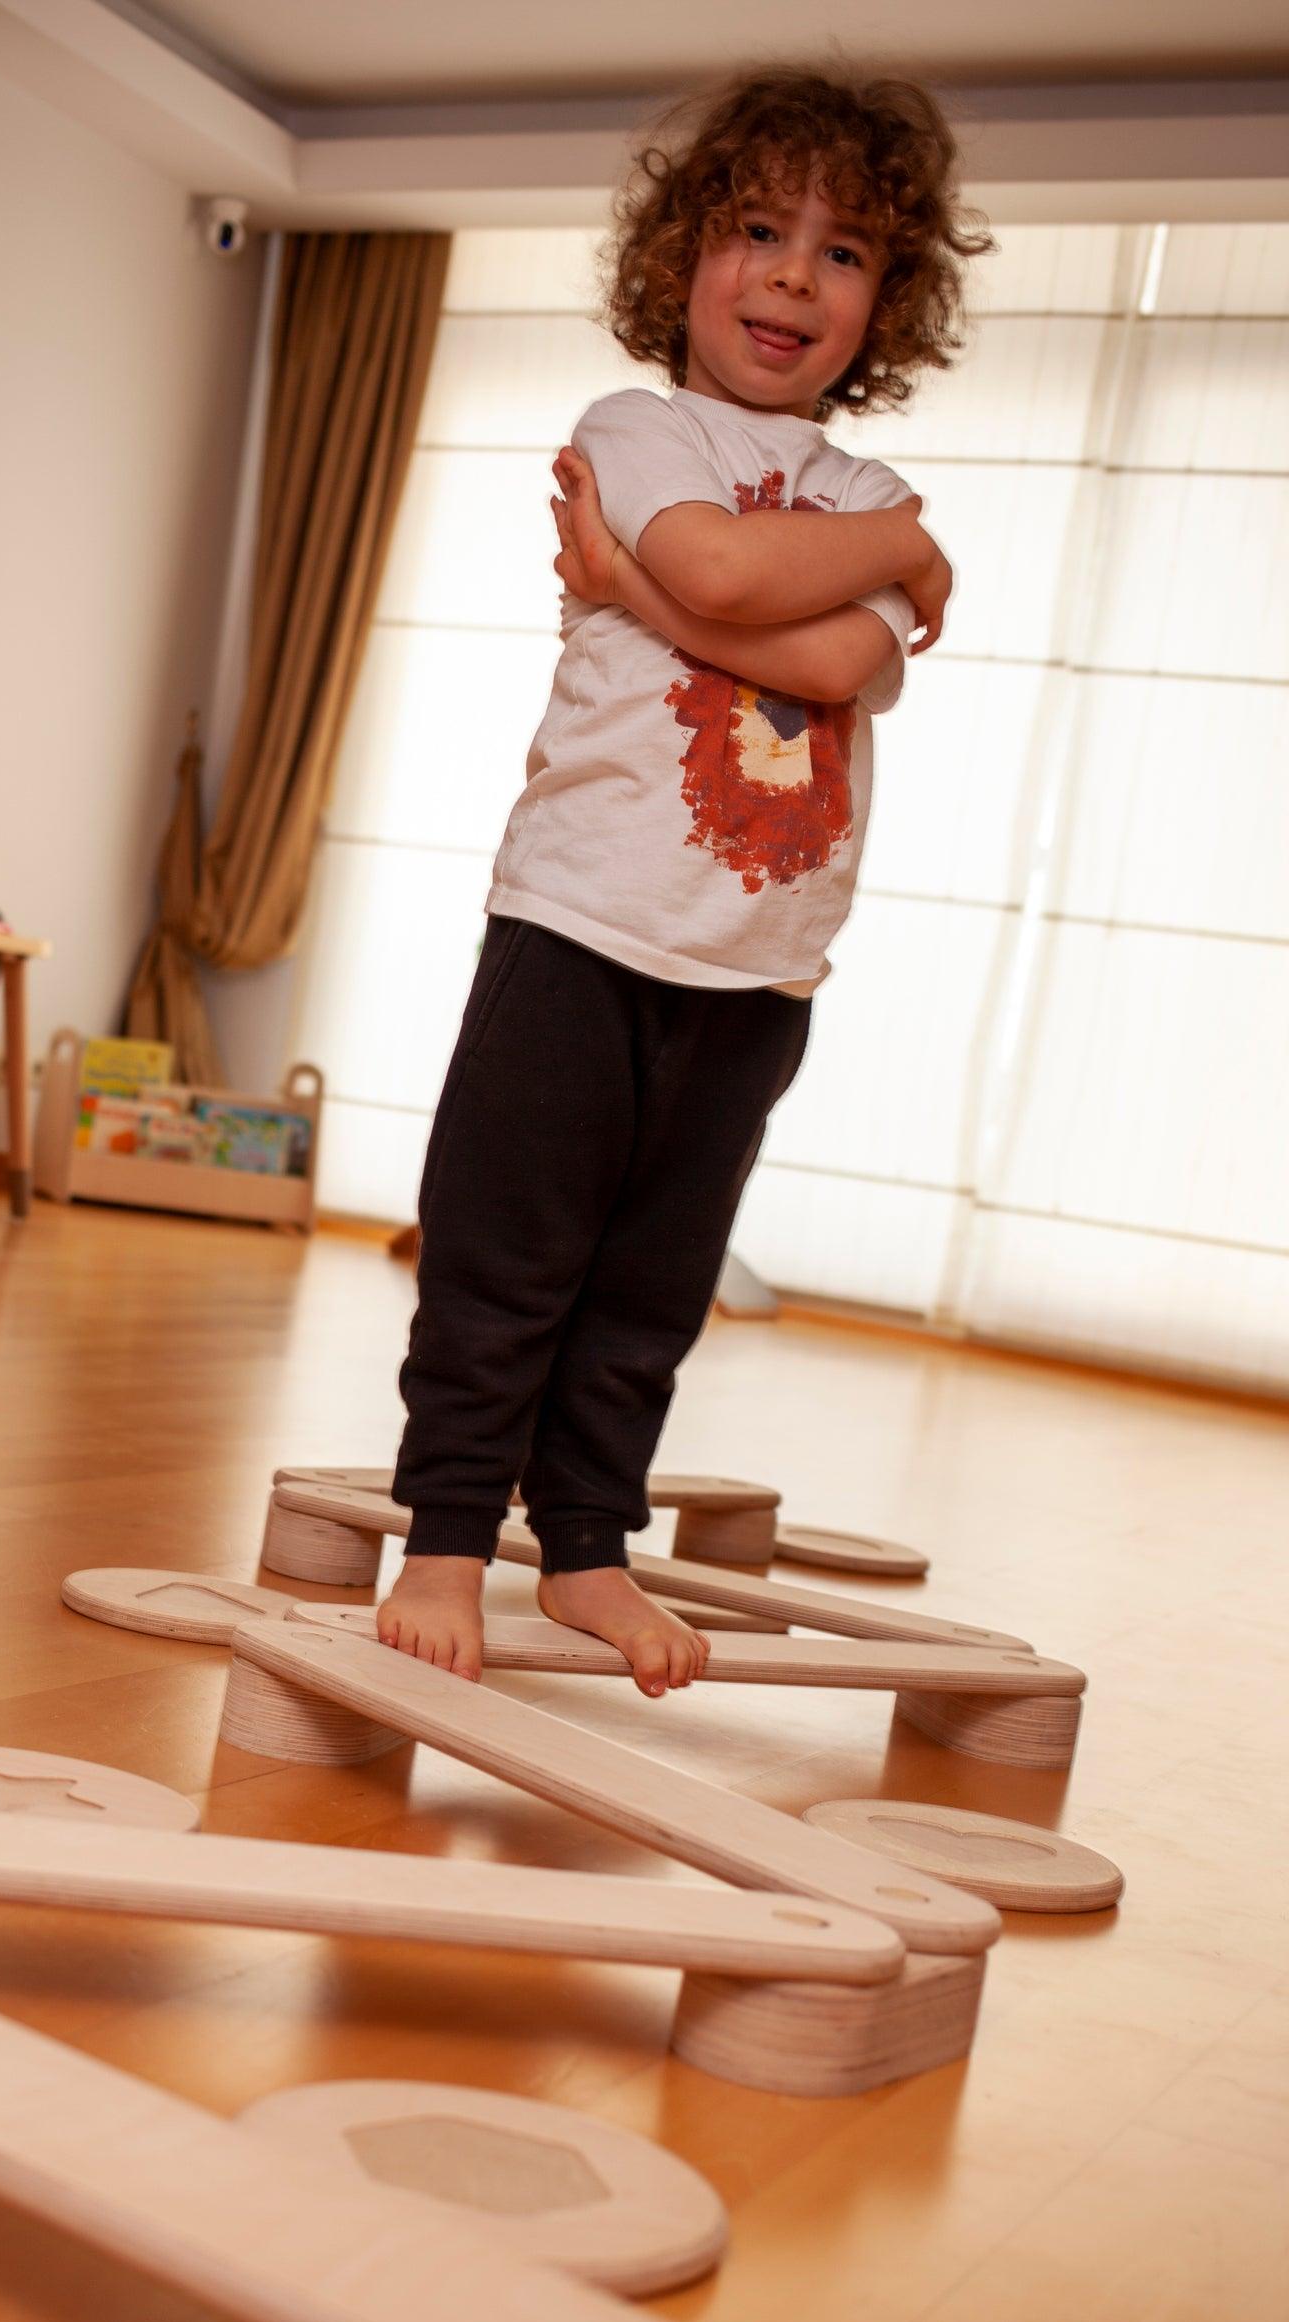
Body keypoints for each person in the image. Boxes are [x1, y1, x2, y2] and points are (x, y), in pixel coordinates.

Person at [376, 67, 990, 1687]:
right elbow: (728, 569)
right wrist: (860, 566)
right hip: (583, 919)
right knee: (508, 1245)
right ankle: (447, 1532)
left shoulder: (868, 494)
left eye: (846, 252)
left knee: (651, 1280)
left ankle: (584, 1548)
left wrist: (641, 590)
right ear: (680, 263)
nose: (794, 274)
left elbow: (844, 662)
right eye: (758, 231)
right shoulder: (640, 431)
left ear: (888, 305)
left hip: (762, 963)